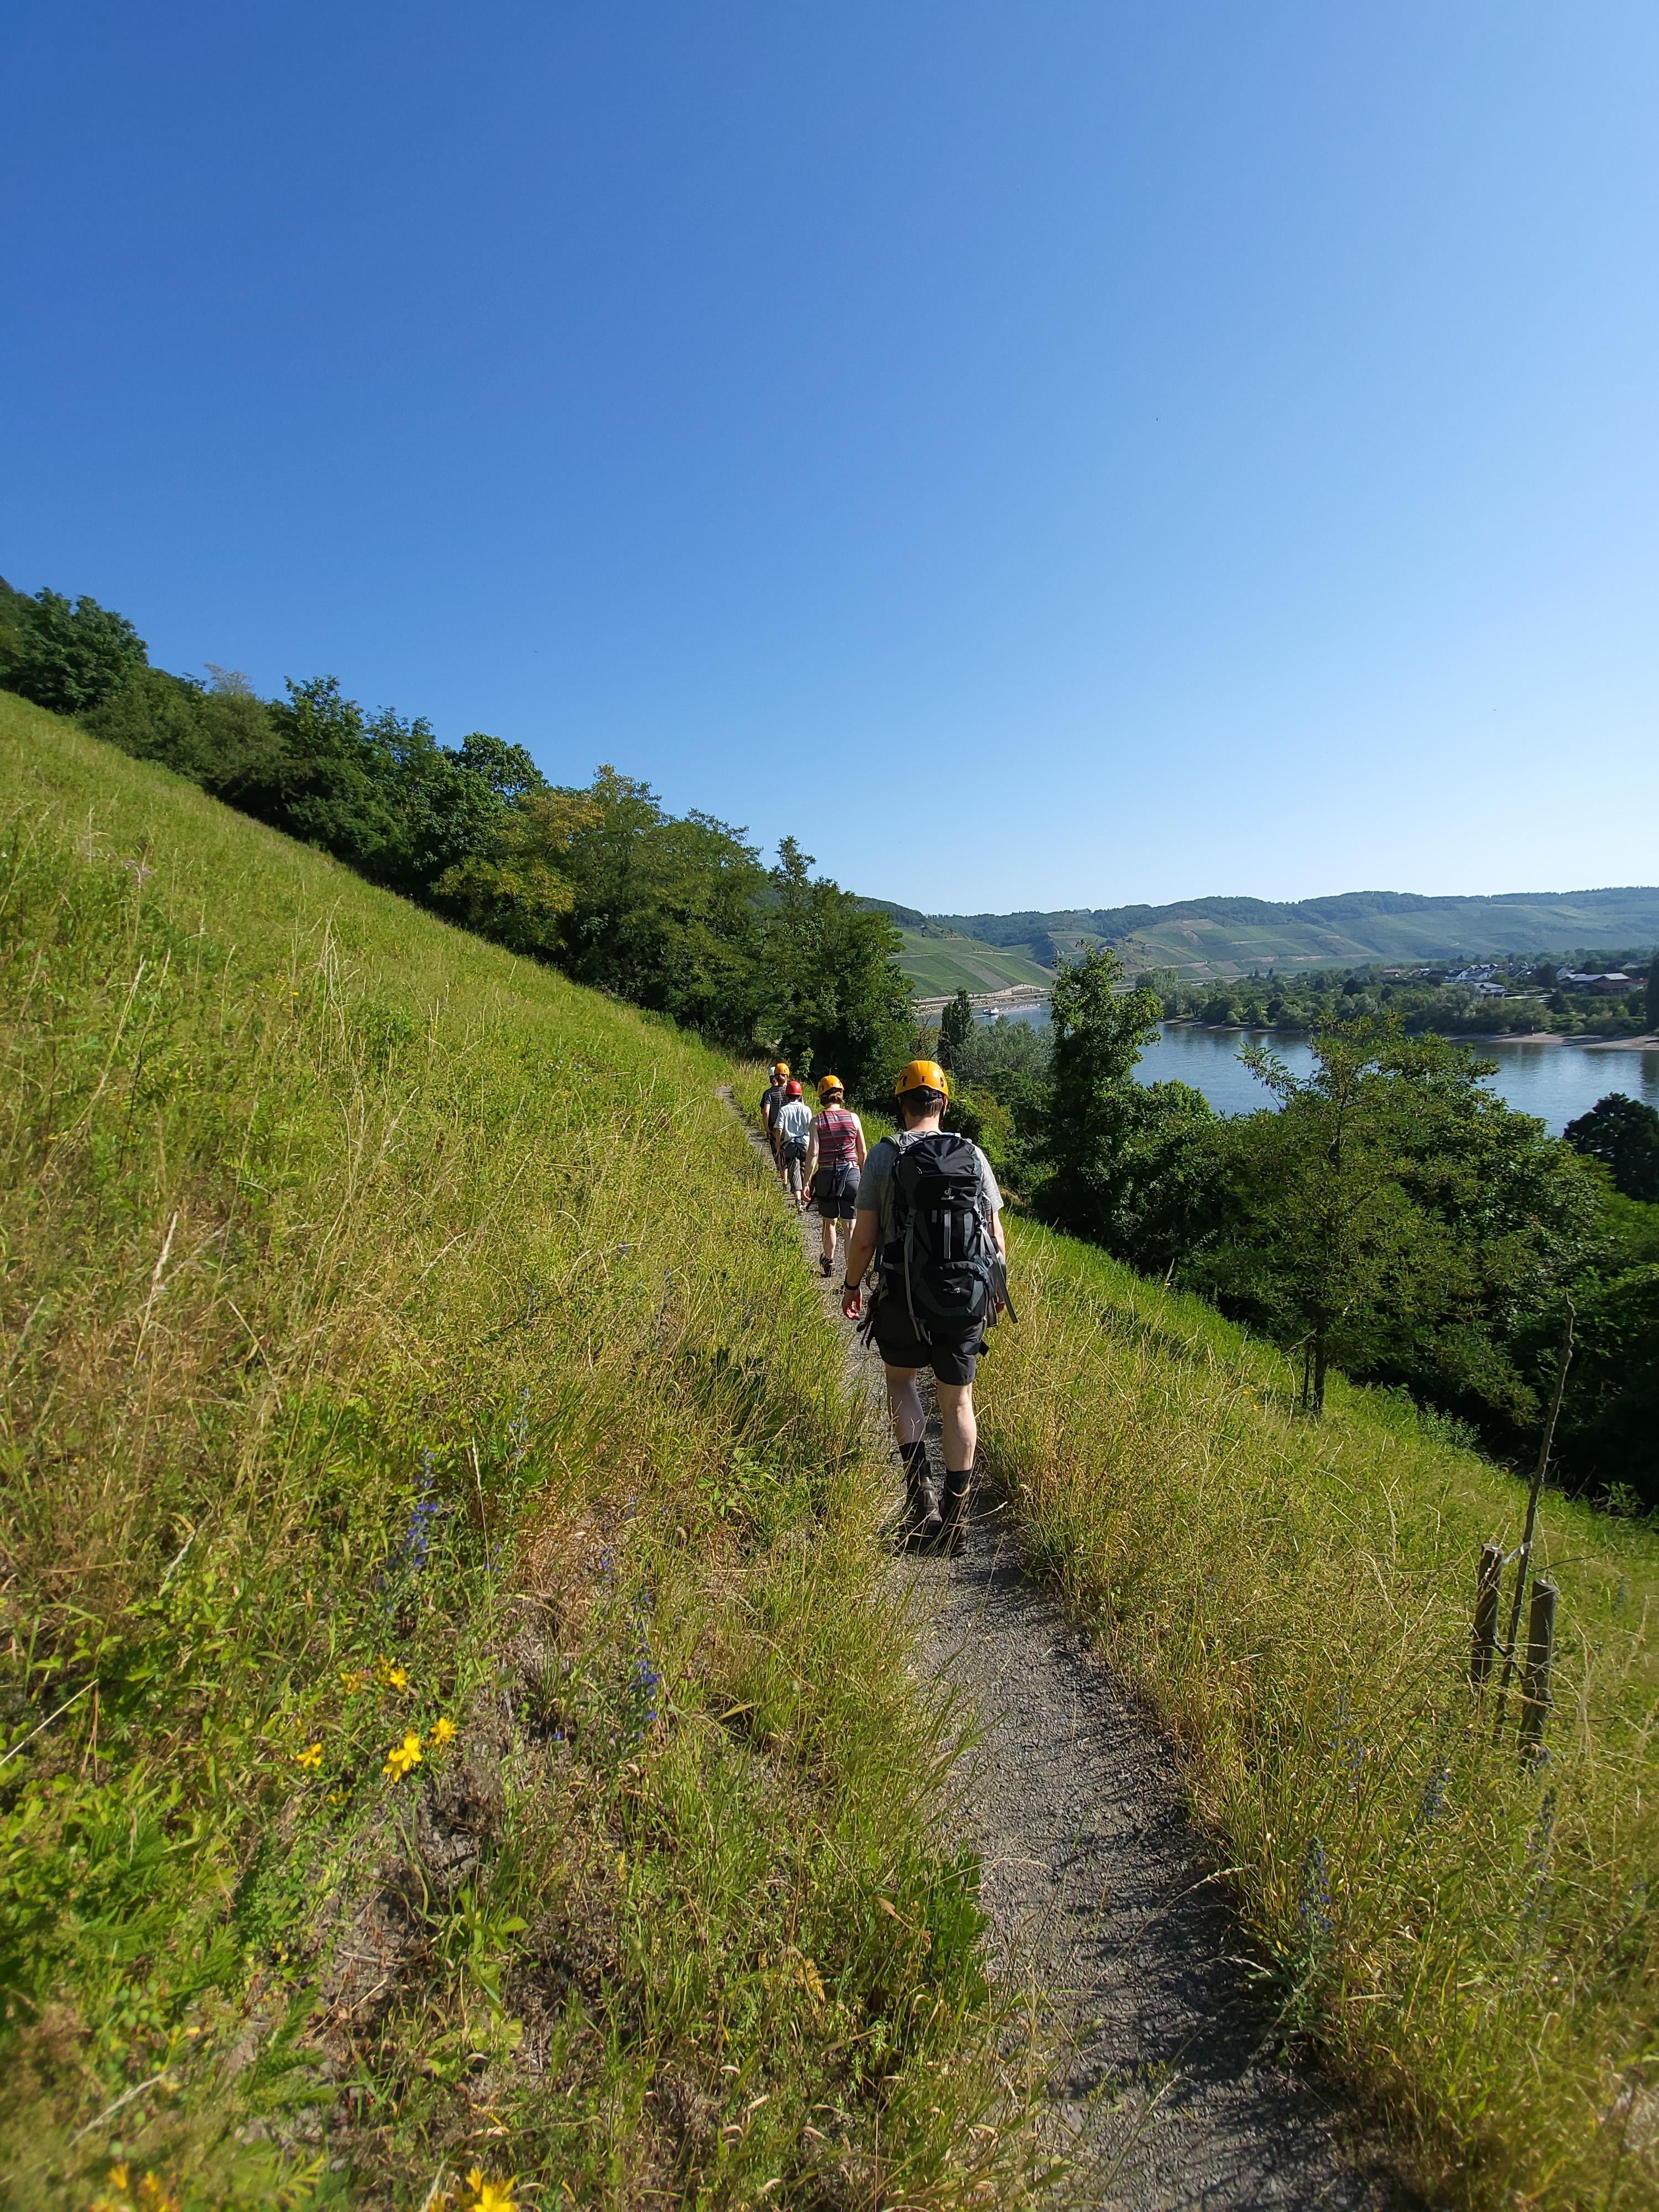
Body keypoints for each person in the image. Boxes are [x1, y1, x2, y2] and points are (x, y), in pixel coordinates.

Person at [841, 1058, 1008, 1547]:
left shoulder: (885, 1155)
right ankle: (955, 1523)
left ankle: (921, 1503)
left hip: (902, 1294)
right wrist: (994, 1292)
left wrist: (852, 1285)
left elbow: (865, 1239)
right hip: (965, 1295)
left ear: (902, 1105)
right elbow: (996, 1238)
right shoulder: (973, 1154)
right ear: (945, 1104)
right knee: (958, 1401)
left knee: (901, 1381)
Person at [803, 1074, 868, 1278]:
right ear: (840, 1094)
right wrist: (864, 1177)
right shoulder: (854, 1118)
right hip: (851, 1175)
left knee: (829, 1221)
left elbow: (813, 1153)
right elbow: (862, 1152)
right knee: (850, 1227)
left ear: (822, 1096)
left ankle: (829, 1262)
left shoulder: (817, 1121)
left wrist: (806, 1182)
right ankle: (851, 1275)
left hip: (827, 1176)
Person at [774, 1078, 813, 1207]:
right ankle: (806, 1195)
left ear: (787, 1095)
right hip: (805, 1144)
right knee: (804, 1169)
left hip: (790, 1144)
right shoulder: (806, 1110)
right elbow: (810, 1127)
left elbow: (779, 1129)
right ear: (800, 1095)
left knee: (794, 1168)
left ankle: (798, 1199)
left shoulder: (784, 1110)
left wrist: (778, 1143)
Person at [760, 1061, 791, 1168]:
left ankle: (782, 1173)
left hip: (774, 1127)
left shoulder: (769, 1093)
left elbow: (765, 1112)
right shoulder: (792, 1091)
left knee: (778, 1153)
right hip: (790, 1127)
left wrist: (767, 1129)